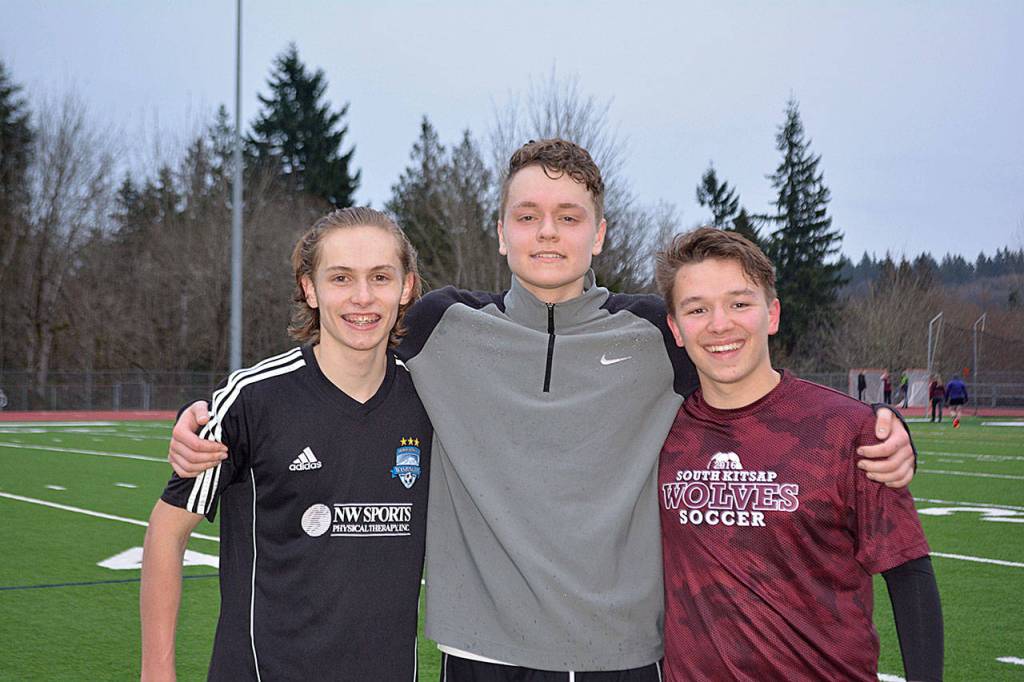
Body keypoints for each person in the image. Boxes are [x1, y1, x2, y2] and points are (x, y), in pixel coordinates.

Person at [167, 140, 917, 679]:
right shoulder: (439, 325)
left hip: (624, 655)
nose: (547, 232)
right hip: (483, 655)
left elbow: (753, 384)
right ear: (500, 232)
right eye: (527, 216)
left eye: (568, 216)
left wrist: (884, 429)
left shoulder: (656, 334)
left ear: (600, 233)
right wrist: (204, 419)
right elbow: (338, 352)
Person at [140, 208, 432, 680]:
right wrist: (156, 673)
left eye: (380, 277)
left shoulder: (430, 401)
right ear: (310, 289)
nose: (362, 297)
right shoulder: (251, 399)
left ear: (406, 287)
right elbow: (166, 532)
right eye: (341, 278)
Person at [655, 227, 942, 681]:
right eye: (697, 309)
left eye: (739, 303)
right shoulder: (660, 431)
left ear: (772, 314)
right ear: (675, 328)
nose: (719, 324)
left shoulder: (849, 430)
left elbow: (908, 572)